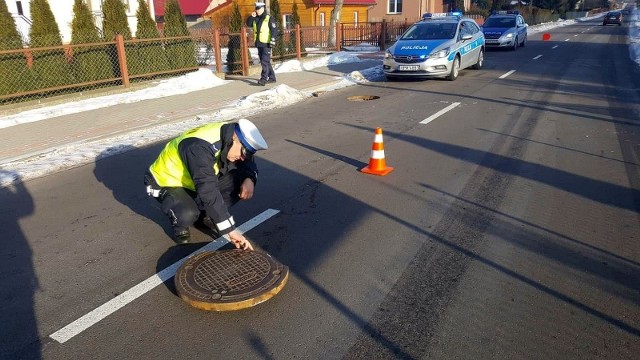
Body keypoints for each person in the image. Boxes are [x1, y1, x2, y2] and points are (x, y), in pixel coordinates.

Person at [144, 119, 268, 250]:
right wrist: (230, 230)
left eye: (247, 154)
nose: (243, 158)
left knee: (239, 179)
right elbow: (207, 189)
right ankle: (180, 224)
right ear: (235, 139)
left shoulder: (229, 136)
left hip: (194, 181)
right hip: (166, 182)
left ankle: (208, 215)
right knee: (188, 213)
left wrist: (250, 178)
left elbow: (247, 161)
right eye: (243, 153)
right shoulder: (198, 148)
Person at [246, 1, 279, 86]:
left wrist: (273, 40)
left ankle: (263, 79)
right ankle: (272, 78)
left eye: (259, 9)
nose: (257, 10)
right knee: (265, 61)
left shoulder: (268, 18)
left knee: (264, 61)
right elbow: (248, 24)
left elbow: (274, 30)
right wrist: (251, 17)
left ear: (263, 8)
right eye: (256, 9)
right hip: (258, 43)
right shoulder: (255, 18)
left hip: (266, 43)